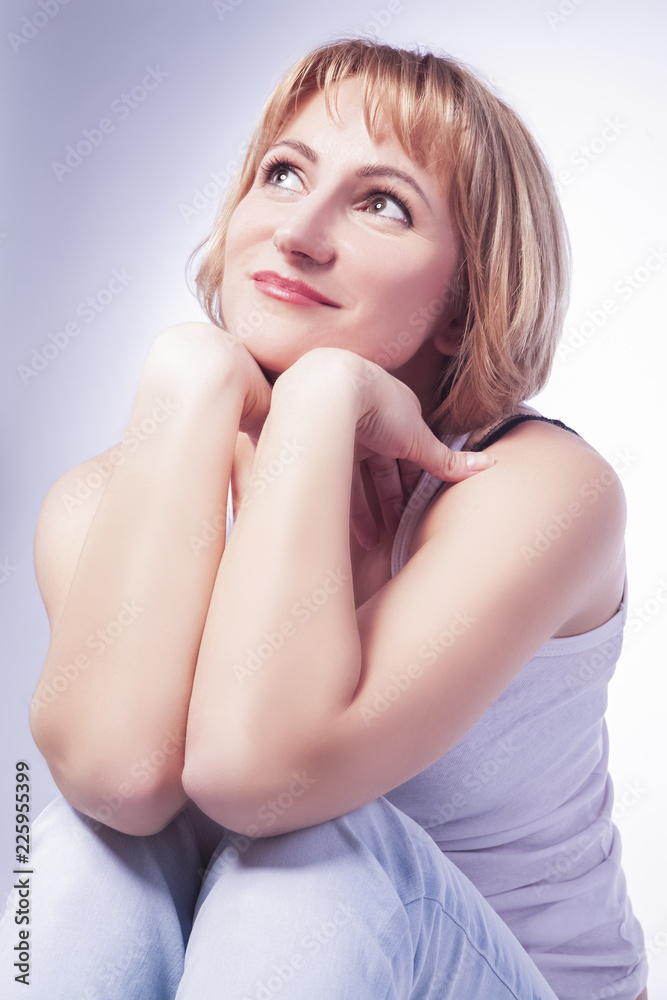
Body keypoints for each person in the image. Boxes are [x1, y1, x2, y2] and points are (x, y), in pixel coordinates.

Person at [0, 35, 648, 1000]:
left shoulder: (536, 489)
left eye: (382, 203)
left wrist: (320, 398)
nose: (299, 230)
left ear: (464, 306)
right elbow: (120, 776)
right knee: (84, 848)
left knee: (312, 854)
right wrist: (192, 371)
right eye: (283, 172)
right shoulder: (106, 500)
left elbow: (265, 781)